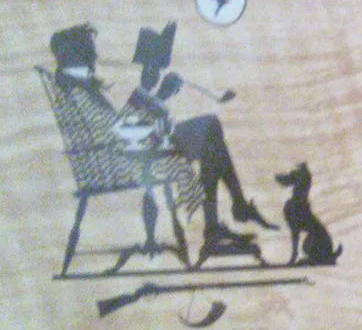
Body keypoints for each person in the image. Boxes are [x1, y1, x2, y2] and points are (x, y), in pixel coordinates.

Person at [49, 23, 274, 254]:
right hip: (125, 160)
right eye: (89, 49)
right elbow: (115, 133)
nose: (96, 55)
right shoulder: (77, 90)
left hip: (130, 149)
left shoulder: (78, 84)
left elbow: (115, 127)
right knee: (210, 129)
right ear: (74, 53)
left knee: (210, 130)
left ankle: (221, 222)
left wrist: (152, 98)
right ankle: (224, 220)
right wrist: (150, 101)